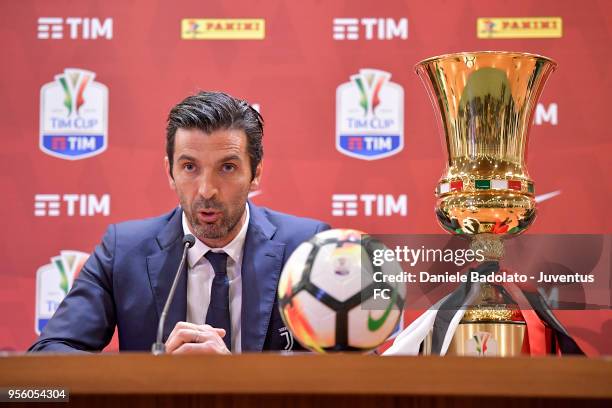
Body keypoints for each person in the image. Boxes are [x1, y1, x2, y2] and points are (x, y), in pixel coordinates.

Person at [30, 91, 330, 354]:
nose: (206, 190)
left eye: (227, 167)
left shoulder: (309, 248)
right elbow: (49, 353)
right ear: (169, 171)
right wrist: (159, 374)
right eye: (189, 167)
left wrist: (240, 377)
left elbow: (355, 367)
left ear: (256, 173)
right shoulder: (122, 249)